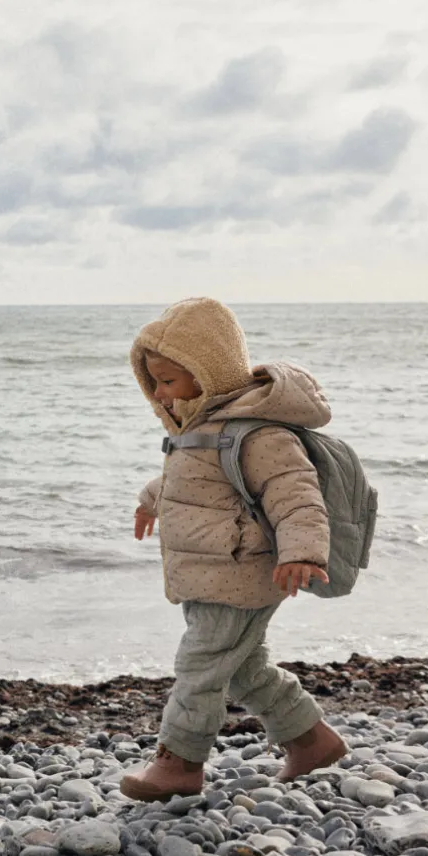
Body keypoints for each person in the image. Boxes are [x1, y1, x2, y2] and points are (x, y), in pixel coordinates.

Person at [120, 296, 347, 801]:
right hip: (211, 572)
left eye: (168, 380)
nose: (159, 392)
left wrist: (302, 552)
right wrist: (149, 502)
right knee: (243, 669)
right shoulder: (200, 428)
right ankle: (310, 740)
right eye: (153, 380)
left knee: (200, 664)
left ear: (209, 370)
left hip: (242, 572)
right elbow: (190, 485)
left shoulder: (256, 432)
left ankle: (179, 762)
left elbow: (295, 494)